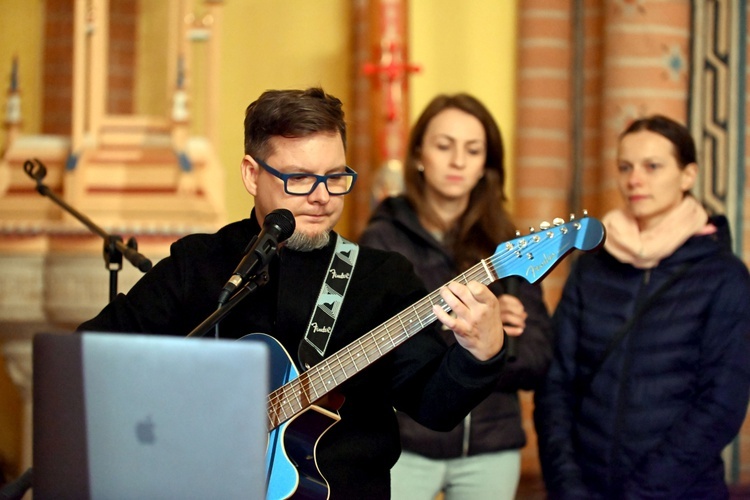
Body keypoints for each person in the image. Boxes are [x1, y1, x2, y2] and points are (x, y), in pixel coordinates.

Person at [77, 87, 510, 499]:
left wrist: (482, 352)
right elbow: (93, 354)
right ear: (251, 174)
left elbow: (435, 408)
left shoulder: (381, 278)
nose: (322, 197)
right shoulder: (200, 263)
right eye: (300, 178)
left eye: (335, 177)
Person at [533, 114, 750, 499]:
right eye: (625, 167)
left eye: (653, 167)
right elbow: (556, 384)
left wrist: (643, 492)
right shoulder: (592, 267)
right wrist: (567, 486)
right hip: (585, 489)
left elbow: (721, 402)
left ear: (688, 175)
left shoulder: (723, 275)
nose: (635, 180)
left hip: (681, 491)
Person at [359, 93, 552, 499]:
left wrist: (497, 340)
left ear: (486, 165)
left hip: (490, 449)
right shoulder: (382, 237)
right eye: (444, 146)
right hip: (405, 444)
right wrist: (475, 334)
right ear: (418, 156)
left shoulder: (510, 247)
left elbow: (538, 359)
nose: (458, 161)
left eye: (473, 149)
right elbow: (375, 351)